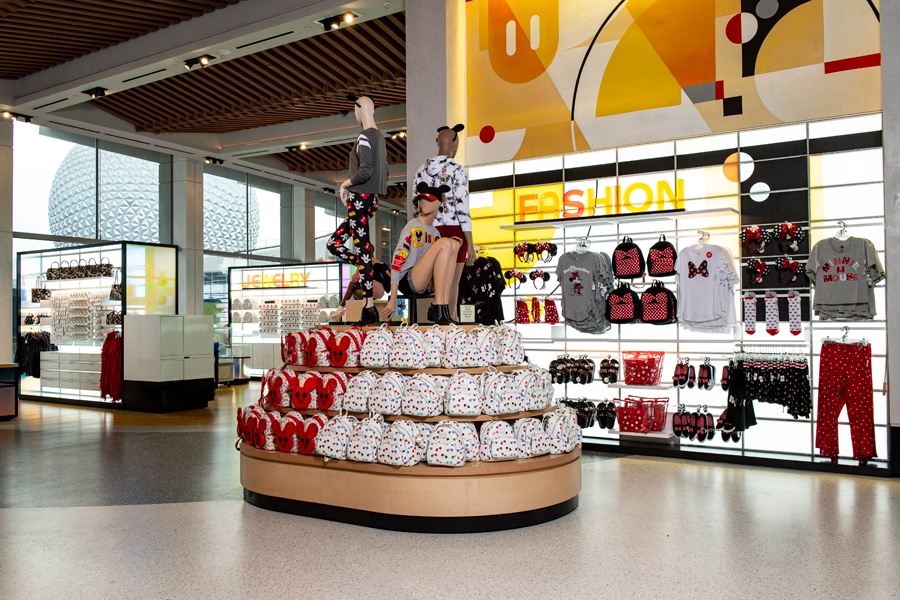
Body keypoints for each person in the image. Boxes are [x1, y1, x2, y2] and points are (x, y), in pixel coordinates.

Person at [326, 94, 388, 326]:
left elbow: (365, 171)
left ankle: (369, 305)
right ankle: (365, 264)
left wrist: (344, 184)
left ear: (358, 108)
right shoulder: (379, 136)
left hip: (359, 198)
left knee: (362, 248)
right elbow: (385, 172)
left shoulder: (364, 136)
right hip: (369, 199)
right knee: (334, 244)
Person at [413, 123, 473, 320]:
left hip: (429, 231)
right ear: (454, 145)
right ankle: (451, 320)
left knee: (435, 283)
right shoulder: (457, 170)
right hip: (454, 229)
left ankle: (436, 324)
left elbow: (416, 208)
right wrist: (470, 243)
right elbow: (462, 208)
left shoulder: (421, 171)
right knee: (452, 282)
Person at [380, 183, 461, 325]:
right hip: (408, 280)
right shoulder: (413, 226)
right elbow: (397, 260)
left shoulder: (435, 232)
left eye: (429, 200)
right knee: (445, 243)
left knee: (453, 244)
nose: (424, 203)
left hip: (426, 283)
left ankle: (444, 307)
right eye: (422, 199)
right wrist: (393, 298)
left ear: (439, 203)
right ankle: (438, 306)